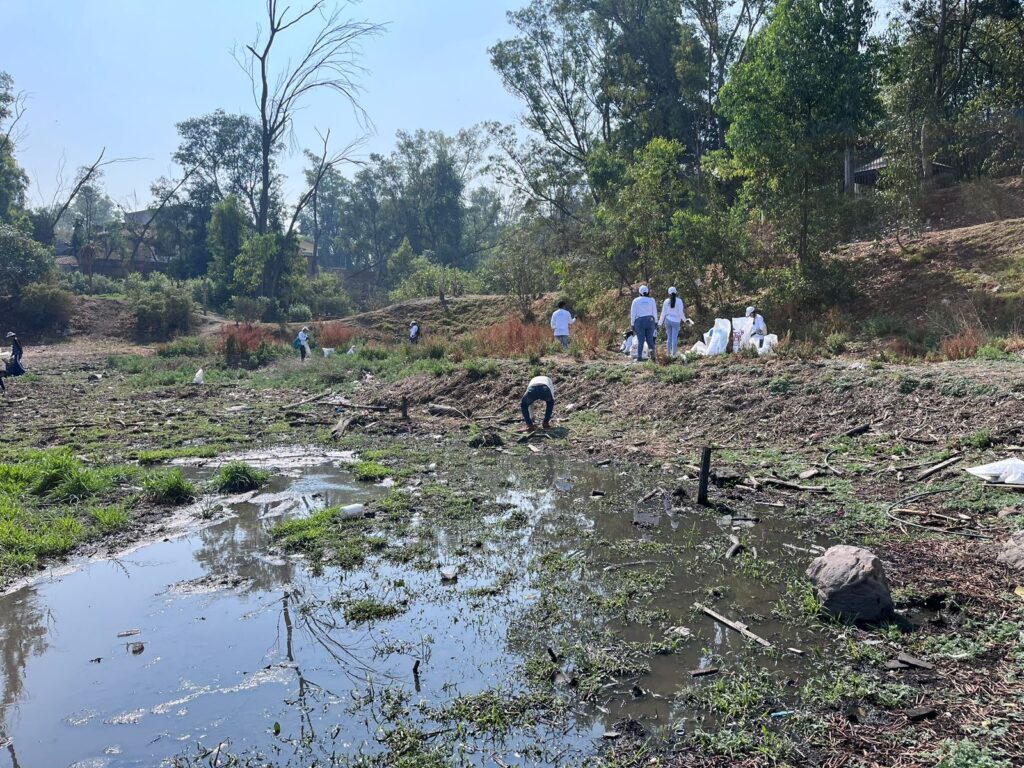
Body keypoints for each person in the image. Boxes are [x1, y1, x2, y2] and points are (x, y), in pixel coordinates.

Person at [658, 287, 689, 358]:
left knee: (669, 337)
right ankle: (674, 354)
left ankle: (668, 353)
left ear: (668, 293)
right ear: (676, 292)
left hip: (667, 320)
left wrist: (660, 323)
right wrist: (685, 320)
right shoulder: (679, 301)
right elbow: (681, 313)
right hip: (676, 321)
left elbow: (663, 313)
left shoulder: (666, 301)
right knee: (674, 338)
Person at [630, 285, 658, 362]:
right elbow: (654, 312)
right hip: (650, 321)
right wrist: (656, 322)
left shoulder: (635, 300)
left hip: (639, 322)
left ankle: (639, 357)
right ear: (648, 292)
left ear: (639, 292)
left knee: (641, 340)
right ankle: (653, 357)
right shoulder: (652, 300)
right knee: (650, 340)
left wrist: (632, 324)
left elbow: (633, 314)